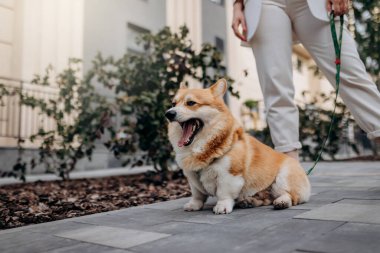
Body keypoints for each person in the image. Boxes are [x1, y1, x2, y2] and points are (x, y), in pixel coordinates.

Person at [232, 0, 380, 160]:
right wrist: (237, 4)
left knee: (351, 73)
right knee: (276, 87)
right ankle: (290, 173)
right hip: (264, 4)